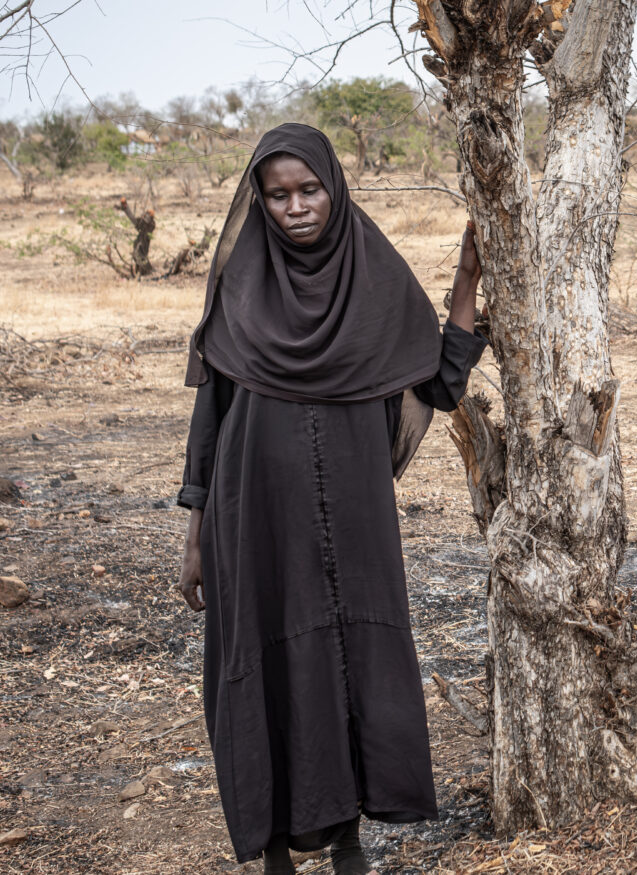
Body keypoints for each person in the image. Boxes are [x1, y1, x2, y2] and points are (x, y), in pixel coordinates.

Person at [176, 123, 487, 874]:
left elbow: (440, 382)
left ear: (334, 188)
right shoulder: (239, 289)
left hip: (353, 516)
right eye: (277, 195)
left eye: (308, 189)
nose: (295, 207)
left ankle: (347, 836)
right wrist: (193, 533)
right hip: (253, 519)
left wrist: (468, 286)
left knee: (351, 656)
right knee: (272, 659)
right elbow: (209, 417)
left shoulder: (376, 279)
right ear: (260, 201)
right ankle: (277, 848)